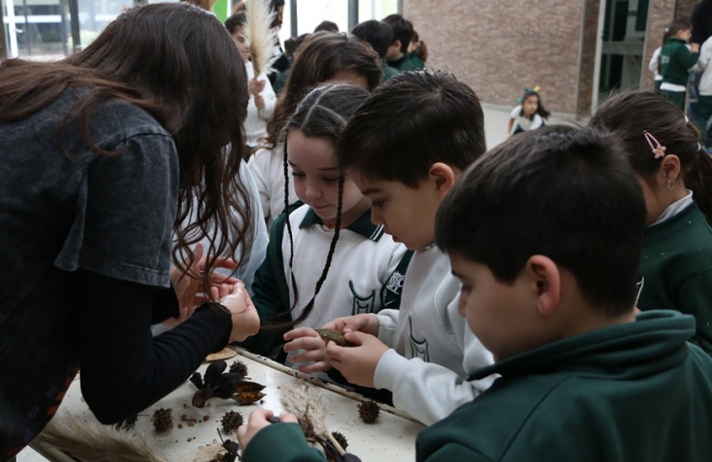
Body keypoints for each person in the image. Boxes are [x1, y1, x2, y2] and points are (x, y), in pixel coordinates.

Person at [0, 3, 260, 460]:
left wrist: (162, 292)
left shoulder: (15, 92)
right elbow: (118, 389)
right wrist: (217, 322)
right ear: (196, 100)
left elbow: (11, 272)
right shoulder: (134, 138)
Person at [238, 125, 712, 462]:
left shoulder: (488, 441)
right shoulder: (698, 369)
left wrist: (281, 456)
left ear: (541, 285)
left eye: (468, 285)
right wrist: (386, 326)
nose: (460, 305)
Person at [281, 71, 495, 425]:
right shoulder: (430, 241)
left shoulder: (487, 272)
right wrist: (383, 328)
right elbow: (431, 335)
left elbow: (492, 411)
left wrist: (390, 372)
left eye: (380, 200)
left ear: (439, 181)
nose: (376, 218)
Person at [244, 84, 408, 372]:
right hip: (288, 388)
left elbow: (402, 343)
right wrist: (230, 319)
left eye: (330, 178)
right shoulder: (289, 226)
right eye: (297, 173)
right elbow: (269, 306)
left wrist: (336, 358)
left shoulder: (400, 243)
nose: (310, 192)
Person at [589, 90, 712, 356]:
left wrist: (628, 318)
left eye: (617, 187)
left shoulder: (701, 255)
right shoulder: (630, 223)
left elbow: (707, 363)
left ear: (668, 169)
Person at [249, 31, 381, 227]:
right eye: (298, 174)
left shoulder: (384, 165)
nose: (311, 192)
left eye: (351, 97)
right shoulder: (268, 160)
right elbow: (251, 233)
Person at [226, 12, 277, 157]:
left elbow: (272, 110)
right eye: (241, 39)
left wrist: (263, 104)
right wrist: (245, 91)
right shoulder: (222, 71)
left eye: (250, 40)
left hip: (261, 144)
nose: (246, 45)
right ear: (227, 38)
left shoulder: (257, 71)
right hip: (234, 146)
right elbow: (221, 107)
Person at [659, 19, 700, 111]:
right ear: (680, 33)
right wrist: (694, 53)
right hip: (676, 88)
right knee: (675, 115)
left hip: (665, 85)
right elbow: (689, 62)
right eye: (688, 33)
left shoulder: (666, 47)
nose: (690, 37)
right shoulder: (680, 47)